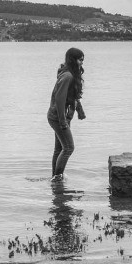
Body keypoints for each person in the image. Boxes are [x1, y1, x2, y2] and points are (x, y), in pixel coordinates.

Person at [47, 47, 86, 180]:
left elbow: (72, 95)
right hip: (58, 117)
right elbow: (59, 98)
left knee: (59, 150)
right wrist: (63, 121)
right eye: (80, 60)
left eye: (82, 60)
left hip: (58, 116)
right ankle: (58, 178)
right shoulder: (67, 76)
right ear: (73, 59)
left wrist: (79, 110)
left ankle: (55, 179)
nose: (82, 63)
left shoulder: (69, 73)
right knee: (69, 148)